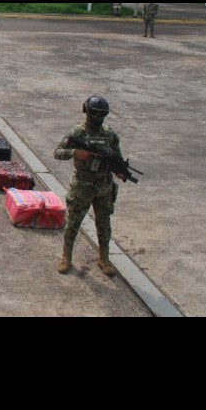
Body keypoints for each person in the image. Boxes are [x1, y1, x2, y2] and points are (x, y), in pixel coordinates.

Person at [54, 95, 125, 277]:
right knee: (73, 223)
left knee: (104, 224)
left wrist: (119, 170)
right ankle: (66, 257)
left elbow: (117, 158)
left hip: (103, 187)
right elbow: (58, 152)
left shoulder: (109, 135)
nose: (98, 117)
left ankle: (104, 258)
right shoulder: (78, 133)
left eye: (101, 114)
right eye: (95, 113)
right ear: (86, 111)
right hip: (82, 186)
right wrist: (75, 152)